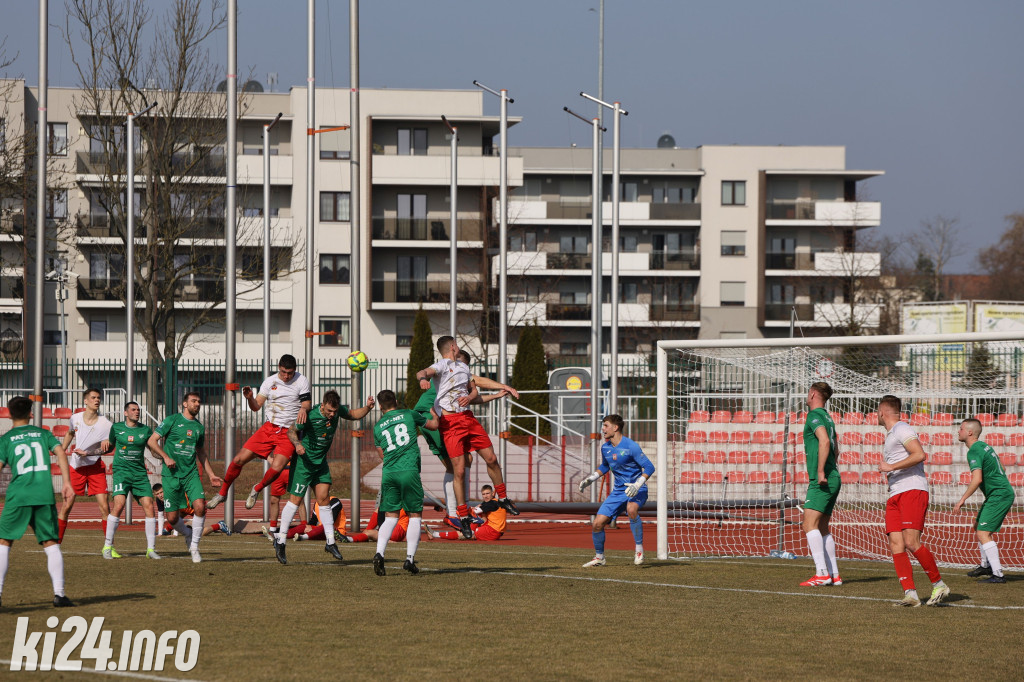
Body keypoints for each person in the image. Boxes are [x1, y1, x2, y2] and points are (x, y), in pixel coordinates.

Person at [415, 336, 519, 539]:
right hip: (448, 422)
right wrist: (422, 379)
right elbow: (423, 372)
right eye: (457, 344)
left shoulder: (462, 369)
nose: (458, 346)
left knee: (491, 458)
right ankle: (460, 515)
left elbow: (477, 387)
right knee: (459, 470)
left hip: (468, 419)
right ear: (452, 347)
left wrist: (501, 389)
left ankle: (503, 497)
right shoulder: (443, 365)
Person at [271, 390, 374, 564]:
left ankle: (330, 542)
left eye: (334, 412)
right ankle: (280, 541)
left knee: (324, 498)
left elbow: (353, 414)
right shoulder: (310, 416)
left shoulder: (336, 411)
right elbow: (291, 431)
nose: (332, 415)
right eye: (329, 411)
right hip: (304, 463)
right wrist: (297, 445)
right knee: (295, 501)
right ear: (323, 404)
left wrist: (368, 408)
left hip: (320, 464)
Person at [208, 354, 311, 511]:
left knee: (277, 468)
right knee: (238, 459)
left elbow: (307, 403)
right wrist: (250, 398)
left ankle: (257, 488)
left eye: (290, 373)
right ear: (279, 367)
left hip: (289, 432)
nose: (286, 376)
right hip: (269, 428)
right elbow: (256, 406)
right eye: (284, 372)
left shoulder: (301, 380)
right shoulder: (270, 382)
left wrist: (304, 408)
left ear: (294, 370)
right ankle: (222, 493)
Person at [0, 396, 76, 608]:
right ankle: (59, 595)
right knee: (50, 543)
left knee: (4, 542)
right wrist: (67, 483)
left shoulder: (6, 439)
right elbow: (60, 451)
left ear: (9, 413)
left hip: (18, 496)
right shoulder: (44, 434)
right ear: (31, 413)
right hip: (43, 495)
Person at [876, 395, 949, 606]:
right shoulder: (892, 434)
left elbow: (919, 454)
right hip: (896, 494)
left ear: (882, 412)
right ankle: (911, 594)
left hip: (912, 490)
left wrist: (890, 467)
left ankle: (939, 584)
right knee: (896, 544)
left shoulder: (901, 428)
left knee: (911, 542)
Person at [147, 391, 224, 563]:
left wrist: (211, 474)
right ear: (184, 404)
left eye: (199, 401)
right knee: (172, 518)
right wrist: (166, 457)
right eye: (193, 401)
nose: (197, 404)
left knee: (200, 507)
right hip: (171, 475)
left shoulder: (199, 427)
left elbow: (201, 452)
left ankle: (195, 547)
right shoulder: (172, 420)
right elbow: (152, 441)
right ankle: (188, 534)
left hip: (191, 474)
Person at [370, 389, 439, 576]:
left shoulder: (377, 427)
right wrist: (435, 415)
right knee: (415, 515)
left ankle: (379, 553)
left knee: (391, 516)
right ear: (396, 401)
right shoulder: (409, 414)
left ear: (380, 406)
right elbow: (432, 426)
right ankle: (409, 559)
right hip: (409, 470)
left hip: (390, 473)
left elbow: (382, 455)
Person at [578, 414, 655, 567]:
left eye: (606, 425)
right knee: (597, 524)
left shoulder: (631, 446)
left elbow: (650, 467)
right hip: (618, 492)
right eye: (603, 425)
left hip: (637, 489)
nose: (603, 428)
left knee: (631, 509)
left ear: (615, 427)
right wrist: (591, 478)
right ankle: (599, 557)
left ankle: (639, 550)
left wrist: (637, 484)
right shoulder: (605, 447)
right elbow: (605, 466)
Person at [954, 418, 1016, 583]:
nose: (958, 431)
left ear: (969, 432)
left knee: (983, 533)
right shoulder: (984, 446)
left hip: (999, 494)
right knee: (978, 525)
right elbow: (1002, 468)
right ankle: (985, 565)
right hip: (999, 493)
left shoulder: (974, 450)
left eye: (960, 429)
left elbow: (977, 479)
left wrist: (962, 500)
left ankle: (998, 574)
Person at [103, 401, 162, 560]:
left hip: (140, 474)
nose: (137, 412)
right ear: (125, 413)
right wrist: (96, 449)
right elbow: (109, 446)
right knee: (119, 505)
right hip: (121, 472)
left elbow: (153, 451)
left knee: (149, 506)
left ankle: (151, 550)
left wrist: (165, 456)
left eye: (138, 410)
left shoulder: (145, 430)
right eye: (133, 410)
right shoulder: (116, 428)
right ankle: (108, 546)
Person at [799, 382, 843, 587]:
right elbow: (836, 448)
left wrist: (820, 471)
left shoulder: (814, 415)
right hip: (834, 476)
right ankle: (834, 574)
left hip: (823, 478)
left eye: (808, 393)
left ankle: (822, 573)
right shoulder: (828, 417)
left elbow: (825, 442)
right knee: (823, 527)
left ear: (813, 394)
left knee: (809, 524)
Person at [57, 387, 113, 545]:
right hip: (76, 467)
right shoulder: (75, 418)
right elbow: (70, 433)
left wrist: (91, 452)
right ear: (85, 400)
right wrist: (62, 450)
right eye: (94, 398)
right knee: (67, 505)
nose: (97, 400)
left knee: (104, 507)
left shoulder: (106, 424)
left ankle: (109, 546)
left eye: (98, 398)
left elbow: (108, 448)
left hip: (95, 467)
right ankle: (56, 543)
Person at [428, 484, 507, 541]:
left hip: (493, 531)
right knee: (475, 517)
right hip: (491, 528)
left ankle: (435, 534)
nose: (486, 496)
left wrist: (452, 510)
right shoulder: (490, 503)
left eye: (488, 493)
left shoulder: (491, 503)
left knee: (465, 531)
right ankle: (468, 530)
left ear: (493, 493)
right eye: (483, 494)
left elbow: (472, 512)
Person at [153, 485, 232, 538]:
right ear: (154, 495)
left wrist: (175, 534)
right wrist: (160, 534)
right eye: (157, 494)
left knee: (199, 533)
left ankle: (220, 525)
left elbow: (176, 514)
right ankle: (167, 530)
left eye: (161, 492)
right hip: (184, 508)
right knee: (172, 516)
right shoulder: (158, 499)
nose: (160, 495)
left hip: (196, 508)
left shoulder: (172, 496)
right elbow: (161, 515)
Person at [282, 497, 348, 543]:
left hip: (336, 532)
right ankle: (280, 535)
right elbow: (313, 521)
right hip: (321, 531)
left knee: (327, 525)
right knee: (304, 527)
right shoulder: (317, 503)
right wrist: (308, 527)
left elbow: (331, 522)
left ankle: (302, 537)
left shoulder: (335, 501)